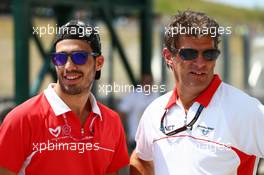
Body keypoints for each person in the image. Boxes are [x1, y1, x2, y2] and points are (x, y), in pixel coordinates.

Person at [130, 10, 264, 175]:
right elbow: (141, 158)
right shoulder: (154, 112)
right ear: (168, 56)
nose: (200, 63)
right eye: (189, 54)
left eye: (209, 54)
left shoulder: (246, 109)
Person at [0, 20, 129, 175]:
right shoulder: (21, 119)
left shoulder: (112, 121)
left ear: (99, 62)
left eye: (79, 57)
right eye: (60, 58)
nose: (68, 66)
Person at [118, 74, 159, 150]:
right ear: (141, 82)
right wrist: (123, 134)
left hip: (153, 140)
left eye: (149, 82)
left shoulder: (156, 96)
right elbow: (121, 113)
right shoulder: (134, 95)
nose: (147, 84)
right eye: (146, 81)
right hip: (135, 139)